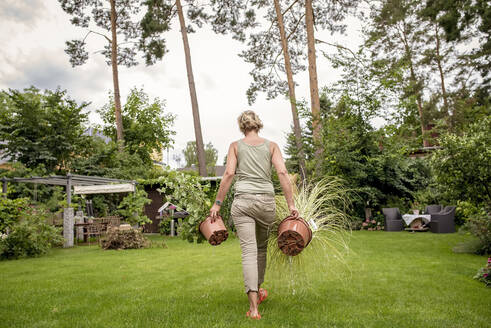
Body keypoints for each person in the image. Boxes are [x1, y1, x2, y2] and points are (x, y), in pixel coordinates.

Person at [209, 110, 297, 320]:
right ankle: (259, 293)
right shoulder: (272, 146)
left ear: (242, 126)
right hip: (266, 202)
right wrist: (291, 204)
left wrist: (217, 204)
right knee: (261, 249)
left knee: (248, 252)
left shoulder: (235, 146)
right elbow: (283, 173)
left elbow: (229, 173)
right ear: (258, 124)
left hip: (243, 202)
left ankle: (254, 309)